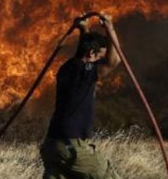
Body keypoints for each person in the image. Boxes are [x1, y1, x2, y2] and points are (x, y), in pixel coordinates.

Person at [40, 12, 122, 179]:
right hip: (71, 146)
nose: (100, 62)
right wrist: (110, 28)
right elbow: (114, 61)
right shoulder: (84, 71)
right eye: (99, 56)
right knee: (107, 176)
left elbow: (84, 52)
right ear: (91, 54)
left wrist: (84, 29)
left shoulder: (69, 67)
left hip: (52, 145)